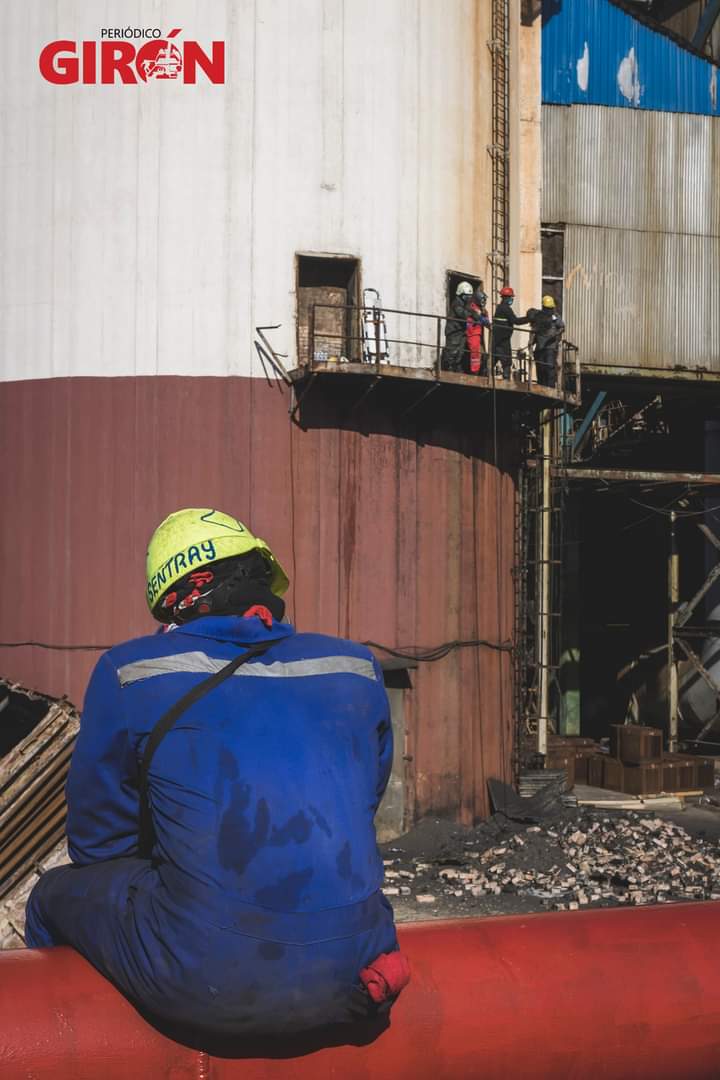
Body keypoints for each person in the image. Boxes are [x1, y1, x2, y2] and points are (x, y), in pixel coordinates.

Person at [25, 508, 408, 1039]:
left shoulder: (131, 671)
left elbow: (99, 846)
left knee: (52, 894)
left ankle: (66, 1035)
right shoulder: (353, 666)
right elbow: (361, 802)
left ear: (180, 596)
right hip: (362, 967)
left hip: (204, 982)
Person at [491, 286, 530, 381]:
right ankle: (506, 380)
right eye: (511, 297)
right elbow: (515, 321)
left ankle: (485, 375)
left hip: (498, 339)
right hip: (503, 339)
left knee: (493, 358)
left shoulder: (500, 308)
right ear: (506, 298)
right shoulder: (505, 308)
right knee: (507, 361)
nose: (512, 299)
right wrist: (529, 318)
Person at [528, 296, 565, 388]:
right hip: (539, 347)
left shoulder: (555, 317)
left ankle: (550, 387)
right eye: (548, 308)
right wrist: (530, 344)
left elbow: (562, 327)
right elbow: (533, 330)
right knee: (540, 368)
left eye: (550, 308)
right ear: (543, 307)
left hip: (550, 347)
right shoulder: (538, 317)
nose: (549, 310)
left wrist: (555, 334)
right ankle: (541, 387)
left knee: (549, 368)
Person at [441, 280, 473, 371]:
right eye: (467, 296)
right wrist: (473, 314)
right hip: (454, 332)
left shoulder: (464, 304)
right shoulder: (457, 303)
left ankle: (456, 368)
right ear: (461, 294)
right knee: (452, 352)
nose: (468, 297)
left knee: (460, 352)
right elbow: (463, 314)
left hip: (461, 332)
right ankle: (448, 369)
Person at [466, 286, 491, 375]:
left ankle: (482, 372)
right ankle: (474, 372)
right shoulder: (472, 307)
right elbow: (478, 318)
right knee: (475, 353)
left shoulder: (483, 310)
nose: (484, 302)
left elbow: (487, 321)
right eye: (483, 300)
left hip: (479, 334)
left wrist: (485, 317)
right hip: (472, 333)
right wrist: (484, 319)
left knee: (483, 355)